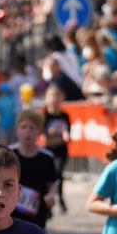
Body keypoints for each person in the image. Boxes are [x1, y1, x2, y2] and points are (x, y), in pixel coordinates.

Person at [10, 110, 58, 229]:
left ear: (40, 132)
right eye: (24, 127)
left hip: (37, 212)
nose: (28, 132)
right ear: (16, 130)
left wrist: (51, 195)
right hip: (10, 210)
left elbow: (53, 181)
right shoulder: (8, 154)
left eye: (32, 128)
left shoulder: (47, 157)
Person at [41, 84, 71, 213]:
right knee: (48, 176)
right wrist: (48, 133)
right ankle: (48, 204)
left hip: (61, 149)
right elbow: (41, 134)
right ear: (46, 98)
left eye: (57, 95)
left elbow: (67, 132)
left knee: (58, 174)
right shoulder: (44, 115)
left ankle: (61, 200)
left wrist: (65, 134)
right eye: (52, 95)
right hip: (48, 149)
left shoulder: (65, 115)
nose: (54, 98)